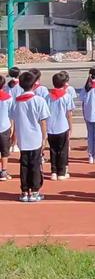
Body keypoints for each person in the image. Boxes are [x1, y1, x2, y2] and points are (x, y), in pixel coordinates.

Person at [11, 71, 50, 202]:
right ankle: (34, 191)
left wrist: (14, 136)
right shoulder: (39, 101)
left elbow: (14, 120)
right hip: (35, 138)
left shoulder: (16, 102)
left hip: (23, 137)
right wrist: (44, 138)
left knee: (24, 165)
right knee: (35, 165)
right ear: (34, 85)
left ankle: (24, 191)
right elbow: (43, 121)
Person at [45, 72, 75, 181]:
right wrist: (71, 127)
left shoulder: (47, 96)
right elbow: (69, 114)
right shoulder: (66, 96)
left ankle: (53, 171)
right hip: (62, 126)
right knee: (63, 150)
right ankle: (61, 172)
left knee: (53, 149)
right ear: (64, 84)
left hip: (51, 126)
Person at [0, 76, 13, 182]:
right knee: (5, 151)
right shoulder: (8, 98)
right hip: (4, 127)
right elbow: (11, 114)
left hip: (5, 126)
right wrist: (12, 127)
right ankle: (3, 171)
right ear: (3, 85)